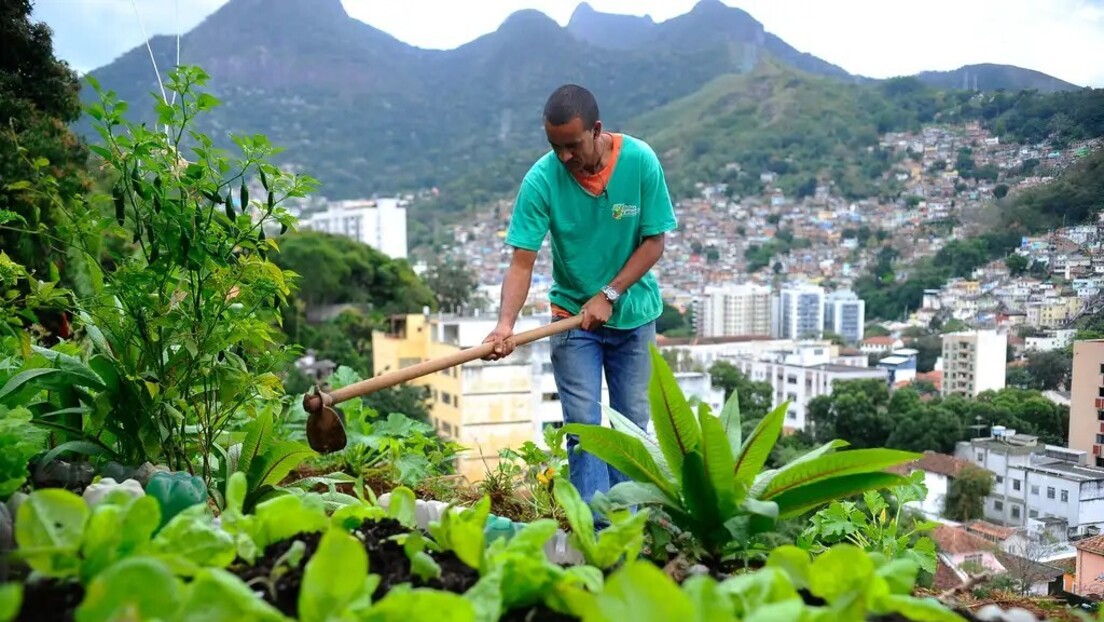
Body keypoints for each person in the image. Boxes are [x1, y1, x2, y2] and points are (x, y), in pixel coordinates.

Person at [481, 84, 678, 503]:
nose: (565, 157)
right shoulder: (541, 180)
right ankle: (597, 530)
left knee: (629, 429)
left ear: (597, 130)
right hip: (573, 319)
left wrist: (609, 293)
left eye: (572, 146)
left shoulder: (640, 162)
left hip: (634, 315)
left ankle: (628, 523)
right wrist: (504, 326)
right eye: (556, 147)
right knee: (584, 429)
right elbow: (522, 261)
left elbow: (654, 242)